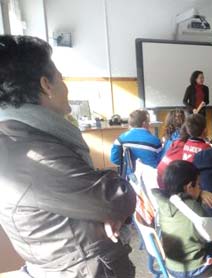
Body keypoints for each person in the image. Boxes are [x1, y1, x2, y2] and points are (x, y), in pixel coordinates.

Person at [0, 35, 136, 277]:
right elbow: (117, 198)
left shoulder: (20, 137)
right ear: (46, 85)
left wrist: (102, 206)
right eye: (61, 79)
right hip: (81, 269)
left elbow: (93, 197)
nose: (66, 87)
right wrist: (107, 205)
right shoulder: (35, 154)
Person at [156, 114, 211, 188]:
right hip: (172, 186)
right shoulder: (205, 148)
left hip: (161, 180)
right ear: (205, 130)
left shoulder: (177, 142)